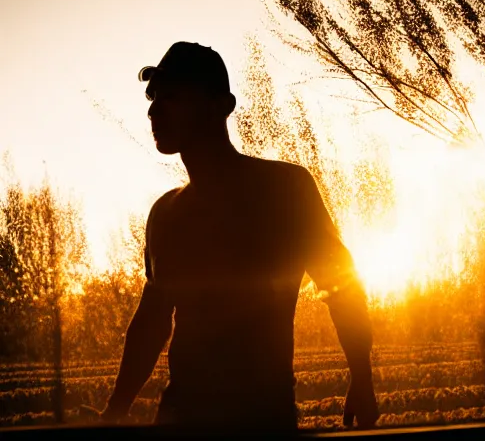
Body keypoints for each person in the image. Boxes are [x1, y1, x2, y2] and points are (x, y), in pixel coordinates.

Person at [98, 42, 380, 431]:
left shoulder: (285, 189)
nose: (154, 110)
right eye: (153, 97)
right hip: (182, 418)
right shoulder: (165, 213)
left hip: (262, 419)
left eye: (173, 96)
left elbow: (342, 286)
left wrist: (362, 379)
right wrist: (116, 409)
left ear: (222, 105)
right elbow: (152, 320)